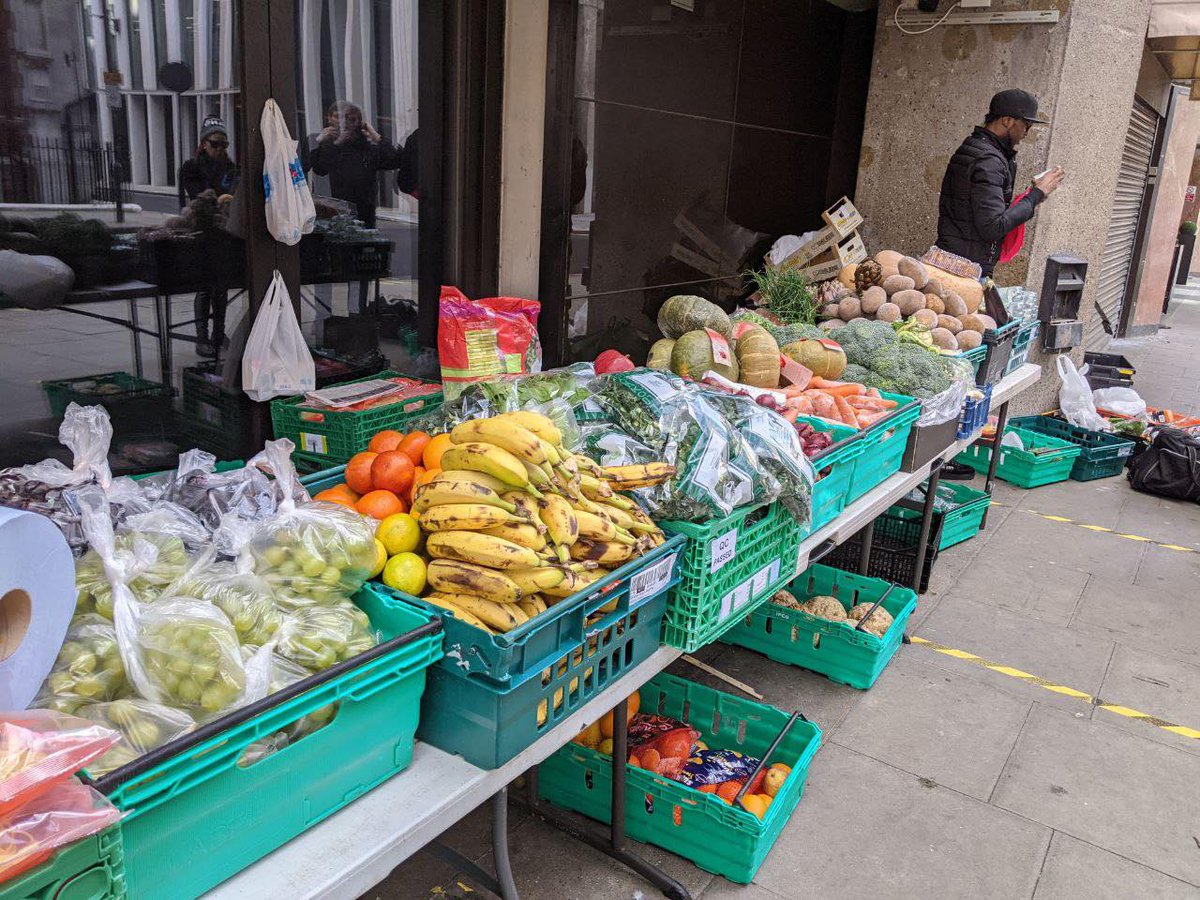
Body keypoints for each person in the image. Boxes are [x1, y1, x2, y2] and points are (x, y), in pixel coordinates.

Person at [937, 89, 1065, 277]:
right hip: (963, 270)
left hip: (956, 261)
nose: (1025, 133)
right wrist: (1037, 194)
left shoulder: (978, 149)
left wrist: (1032, 195)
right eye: (1026, 125)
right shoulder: (989, 160)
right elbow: (993, 227)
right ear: (1007, 121)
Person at [178, 116, 239, 358]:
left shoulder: (231, 167)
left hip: (223, 231)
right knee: (204, 287)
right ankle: (201, 336)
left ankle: (218, 333)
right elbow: (198, 195)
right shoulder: (191, 167)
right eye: (215, 144)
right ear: (204, 144)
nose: (220, 149)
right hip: (202, 231)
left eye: (224, 145)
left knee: (221, 288)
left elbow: (233, 192)